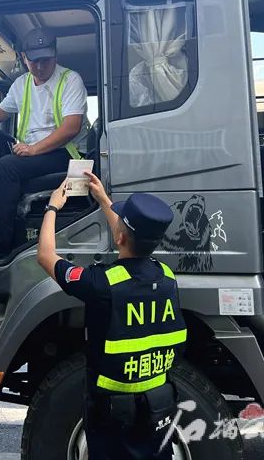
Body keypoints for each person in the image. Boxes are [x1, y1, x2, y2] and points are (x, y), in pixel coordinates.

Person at [36, 173, 186, 459]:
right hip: (157, 405)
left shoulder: (102, 284)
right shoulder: (167, 277)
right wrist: (104, 199)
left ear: (119, 237)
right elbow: (128, 236)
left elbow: (45, 256)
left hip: (113, 414)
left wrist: (52, 206)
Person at [0, 27, 90, 257]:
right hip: (39, 155)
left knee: (7, 166)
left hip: (68, 156)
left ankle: (1, 246)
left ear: (55, 55)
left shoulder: (70, 80)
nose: (40, 66)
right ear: (24, 57)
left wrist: (33, 149)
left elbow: (71, 127)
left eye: (45, 60)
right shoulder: (22, 84)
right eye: (34, 61)